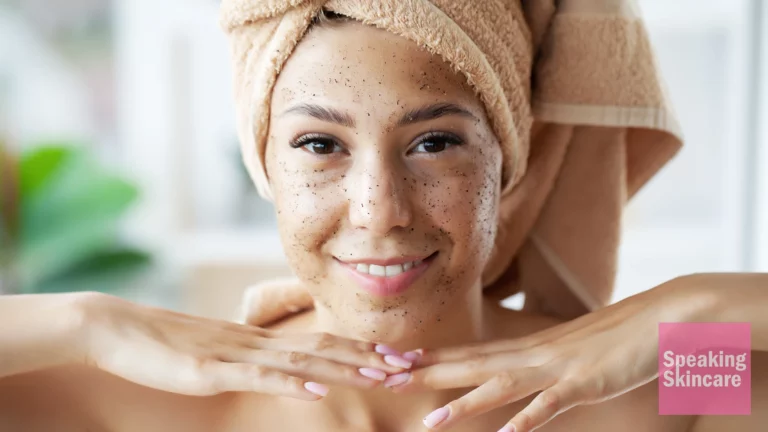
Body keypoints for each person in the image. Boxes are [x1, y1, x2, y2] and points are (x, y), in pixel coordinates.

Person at [0, 1, 766, 431]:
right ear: (263, 164)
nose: (380, 210)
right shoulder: (155, 411)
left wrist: (691, 305)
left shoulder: (657, 396)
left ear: (509, 159)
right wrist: (85, 323)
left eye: (434, 142)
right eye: (319, 144)